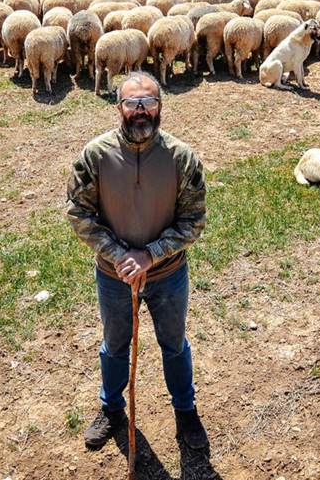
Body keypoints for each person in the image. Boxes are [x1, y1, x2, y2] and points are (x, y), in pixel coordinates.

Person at [65, 71, 209, 450]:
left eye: (148, 102)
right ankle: (111, 408)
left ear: (160, 107)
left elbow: (194, 222)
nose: (140, 110)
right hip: (115, 277)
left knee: (174, 344)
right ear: (119, 108)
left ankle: (185, 411)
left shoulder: (182, 157)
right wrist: (120, 258)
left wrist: (150, 255)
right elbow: (79, 214)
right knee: (114, 346)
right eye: (132, 103)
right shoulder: (94, 156)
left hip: (168, 274)